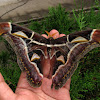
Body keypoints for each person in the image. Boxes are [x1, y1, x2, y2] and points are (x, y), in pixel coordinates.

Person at [0, 29, 71, 100]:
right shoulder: (63, 42)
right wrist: (6, 29)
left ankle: (53, 79)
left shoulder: (36, 39)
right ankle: (38, 78)